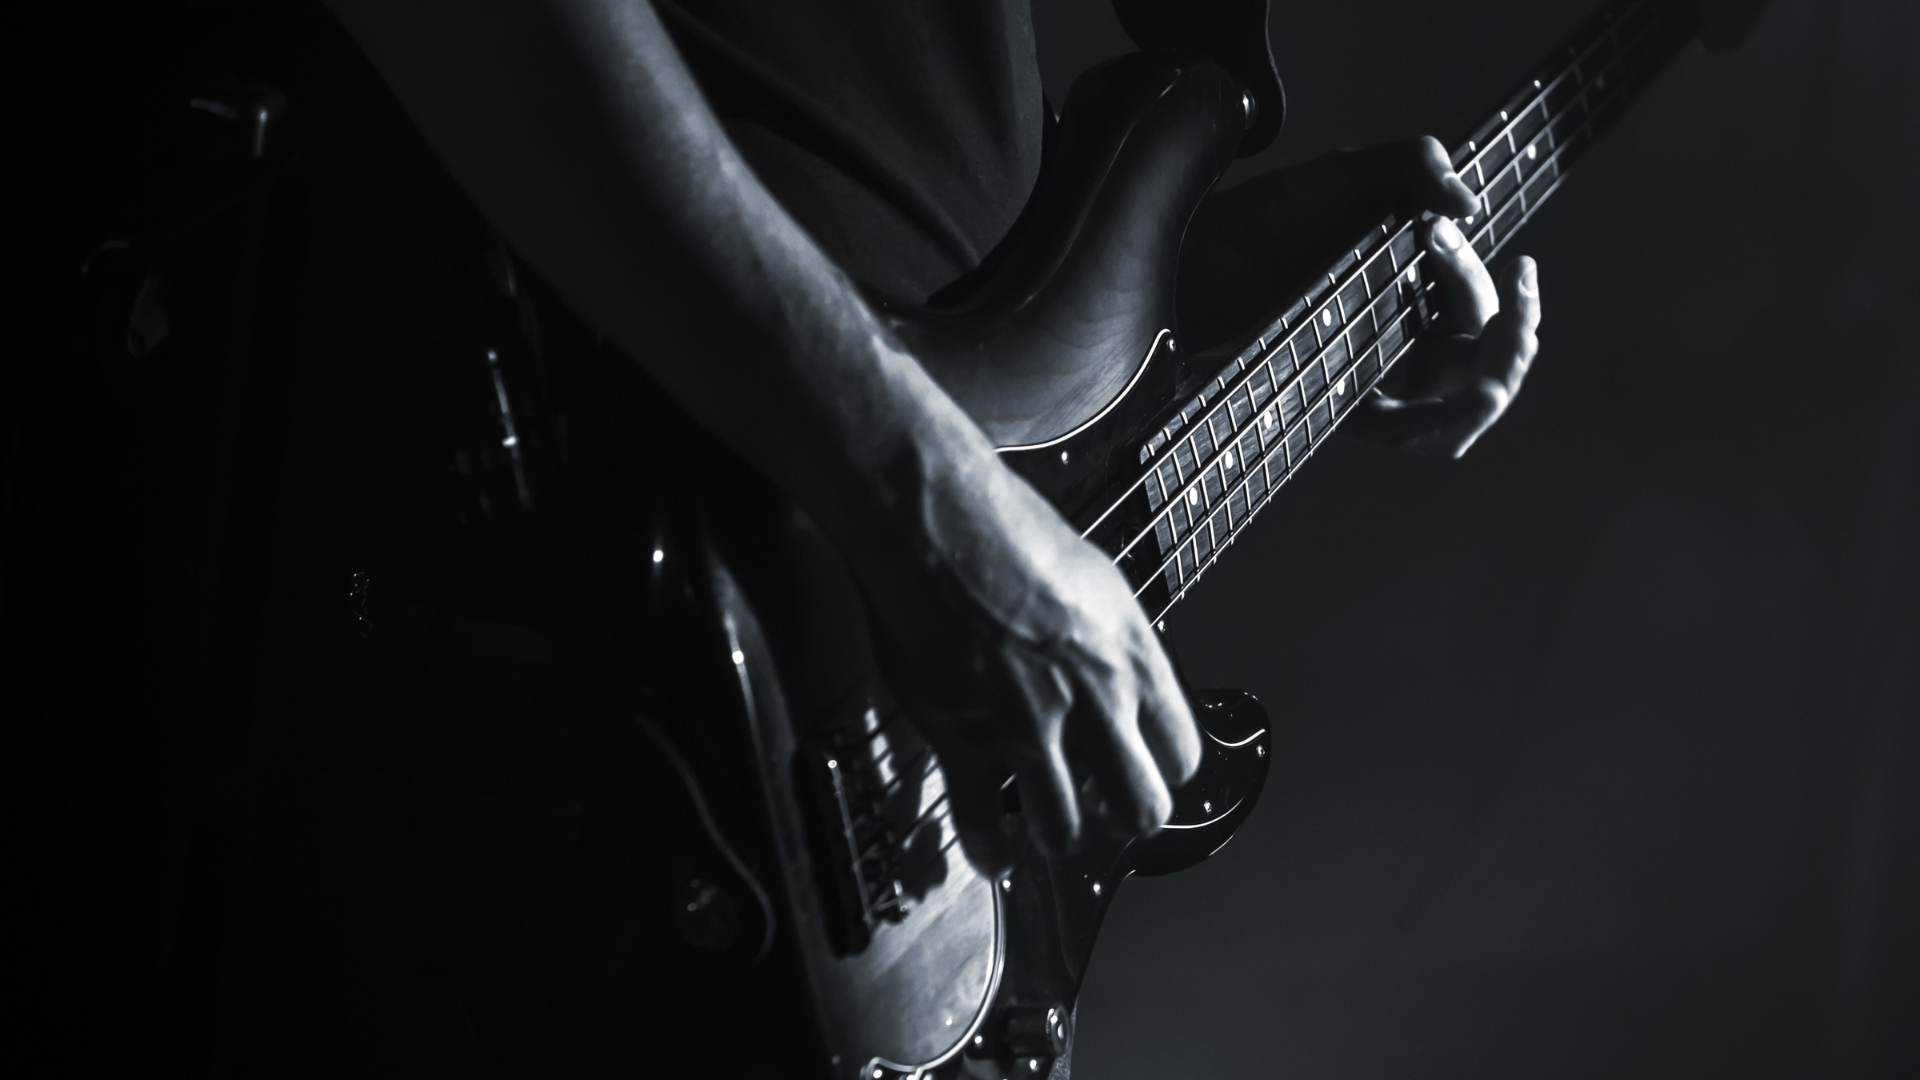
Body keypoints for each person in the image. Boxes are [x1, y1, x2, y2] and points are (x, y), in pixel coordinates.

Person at [304, 0, 1541, 1072]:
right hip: (593, 681)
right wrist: (918, 494)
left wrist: (1211, 282)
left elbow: (884, 172)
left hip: (888, 828)